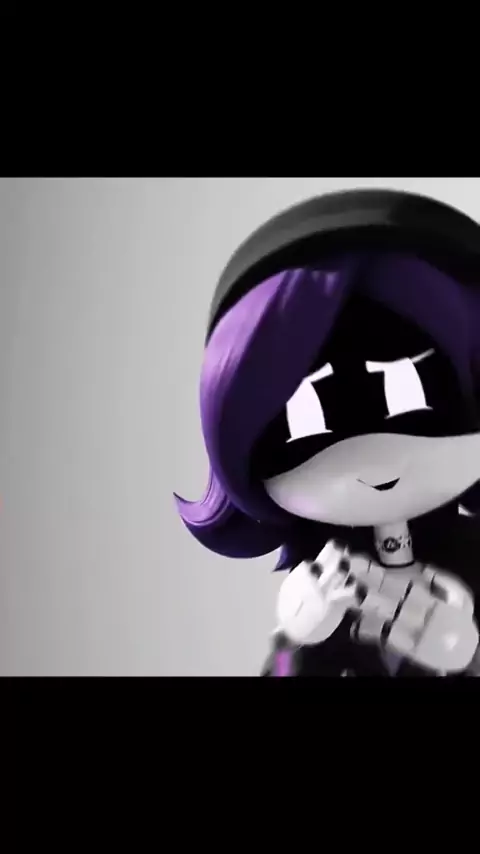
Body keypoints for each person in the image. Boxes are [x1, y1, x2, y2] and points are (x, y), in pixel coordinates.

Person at [175, 189, 480, 676]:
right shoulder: (324, 577)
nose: (372, 455)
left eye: (412, 394)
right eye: (309, 418)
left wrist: (467, 657)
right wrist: (297, 640)